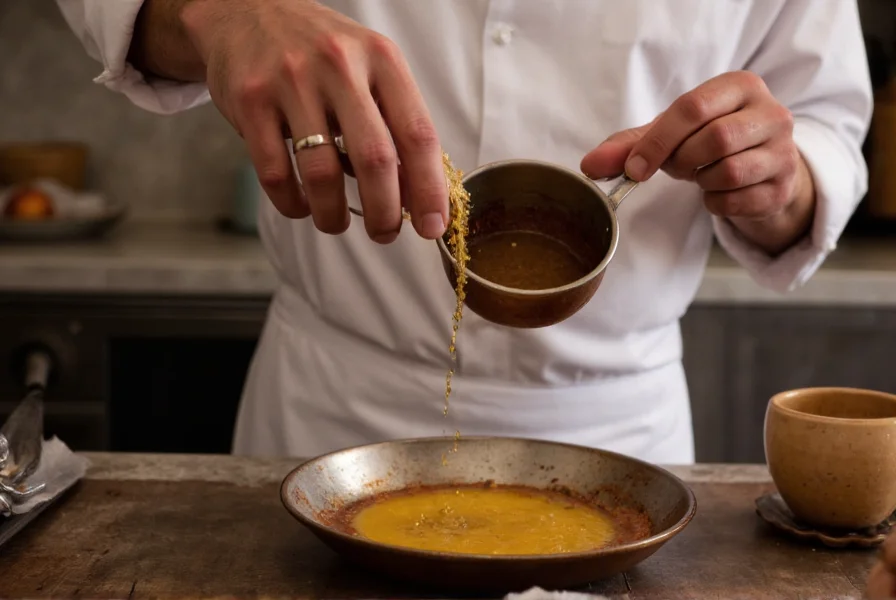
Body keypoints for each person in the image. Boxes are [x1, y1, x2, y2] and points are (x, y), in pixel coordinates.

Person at [56, 0, 871, 464]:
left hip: (619, 434)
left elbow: (826, 117)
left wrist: (781, 174)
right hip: (332, 418)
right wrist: (216, 16)